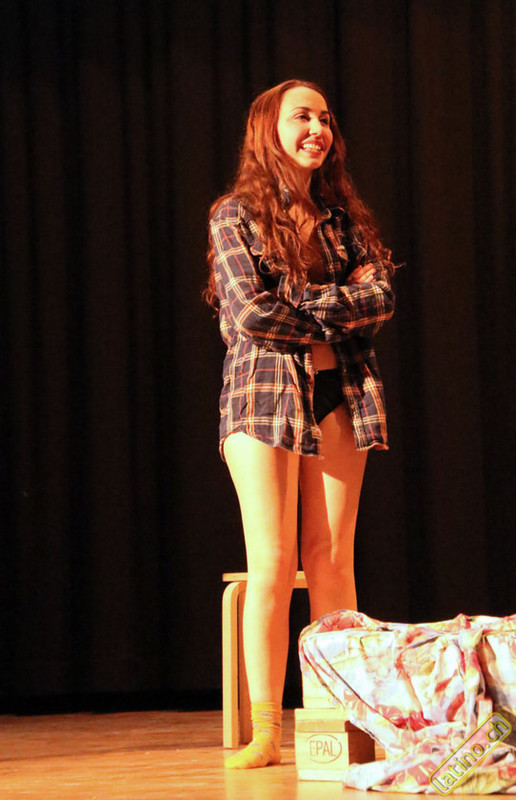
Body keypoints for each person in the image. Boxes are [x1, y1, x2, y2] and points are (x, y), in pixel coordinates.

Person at [204, 79, 396, 769]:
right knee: (274, 563)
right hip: (262, 398)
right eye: (302, 117)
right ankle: (266, 731)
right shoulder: (235, 214)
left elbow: (381, 299)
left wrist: (306, 303)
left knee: (333, 558)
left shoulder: (344, 221)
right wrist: (336, 305)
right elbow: (250, 313)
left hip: (340, 391)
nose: (318, 128)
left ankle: (338, 719)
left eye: (325, 118)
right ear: (269, 130)